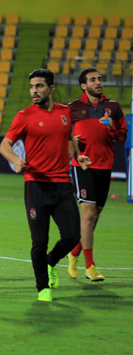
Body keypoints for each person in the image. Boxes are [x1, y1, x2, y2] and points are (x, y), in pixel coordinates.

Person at [0, 68, 91, 302]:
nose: (34, 91)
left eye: (39, 86)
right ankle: (42, 287)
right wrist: (15, 159)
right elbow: (5, 145)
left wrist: (77, 156)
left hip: (62, 185)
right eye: (31, 87)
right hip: (36, 186)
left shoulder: (64, 112)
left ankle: (51, 261)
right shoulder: (24, 116)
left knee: (73, 235)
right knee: (39, 240)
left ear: (50, 89)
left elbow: (68, 137)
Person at [67, 67, 128, 281]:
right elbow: (62, 134)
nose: (98, 82)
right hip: (82, 165)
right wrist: (73, 142)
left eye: (99, 79)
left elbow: (122, 137)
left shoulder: (113, 107)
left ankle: (74, 252)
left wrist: (112, 128)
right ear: (83, 86)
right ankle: (90, 266)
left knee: (94, 217)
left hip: (104, 166)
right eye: (93, 80)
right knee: (88, 214)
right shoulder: (72, 108)